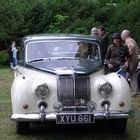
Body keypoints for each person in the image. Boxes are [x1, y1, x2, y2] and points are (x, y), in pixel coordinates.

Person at [121, 30, 139, 97]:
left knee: (125, 75)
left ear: (125, 35)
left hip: (131, 61)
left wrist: (127, 56)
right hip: (136, 61)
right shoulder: (132, 39)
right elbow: (137, 49)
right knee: (133, 76)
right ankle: (134, 92)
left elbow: (132, 46)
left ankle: (123, 91)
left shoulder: (128, 40)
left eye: (122, 35)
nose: (121, 36)